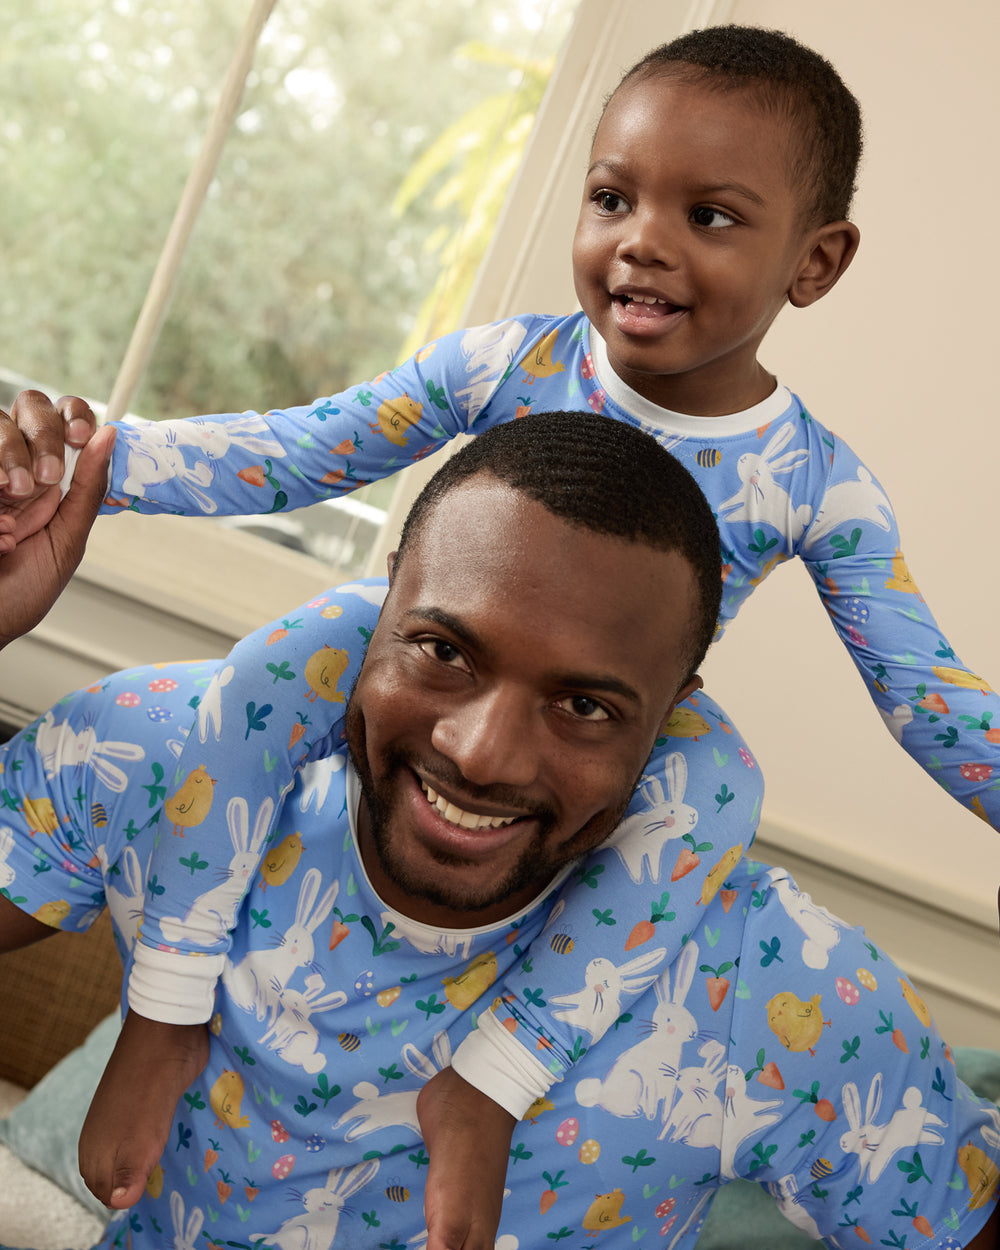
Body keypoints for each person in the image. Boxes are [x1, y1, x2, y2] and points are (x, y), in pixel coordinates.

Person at [1, 17, 997, 1230]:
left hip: (645, 716)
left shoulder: (814, 481)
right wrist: (97, 465)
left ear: (817, 260)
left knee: (720, 779)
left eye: (710, 216)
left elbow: (925, 694)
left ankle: (487, 1087)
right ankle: (164, 1005)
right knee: (271, 664)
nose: (643, 241)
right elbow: (303, 450)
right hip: (408, 631)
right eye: (612, 195)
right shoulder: (507, 360)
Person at [1, 412, 998, 1250]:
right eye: (442, 648)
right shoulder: (158, 760)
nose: (482, 752)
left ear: (673, 714)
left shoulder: (776, 981)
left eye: (584, 707)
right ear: (380, 596)